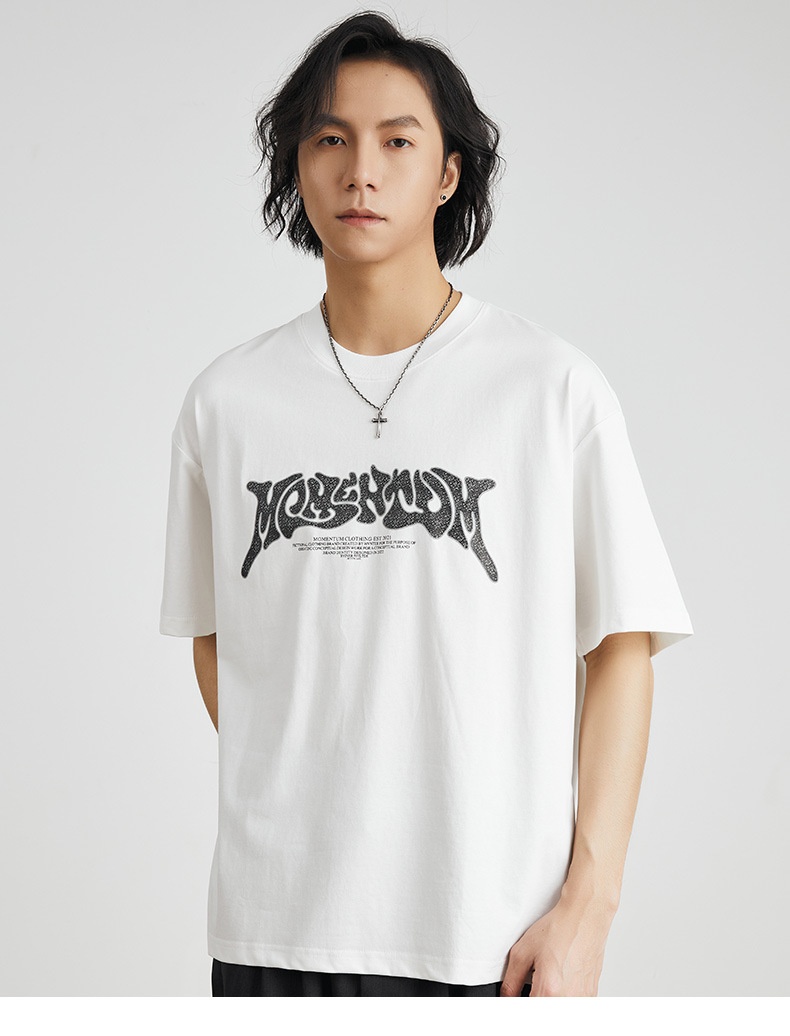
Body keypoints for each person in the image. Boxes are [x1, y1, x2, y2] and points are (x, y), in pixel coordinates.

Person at [159, 10, 694, 997]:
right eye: (330, 140)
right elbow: (214, 636)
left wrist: (589, 905)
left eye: (397, 142)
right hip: (275, 931)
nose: (361, 172)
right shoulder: (227, 401)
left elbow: (622, 645)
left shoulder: (549, 388)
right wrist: (317, 792)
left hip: (489, 935)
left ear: (448, 173)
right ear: (297, 166)